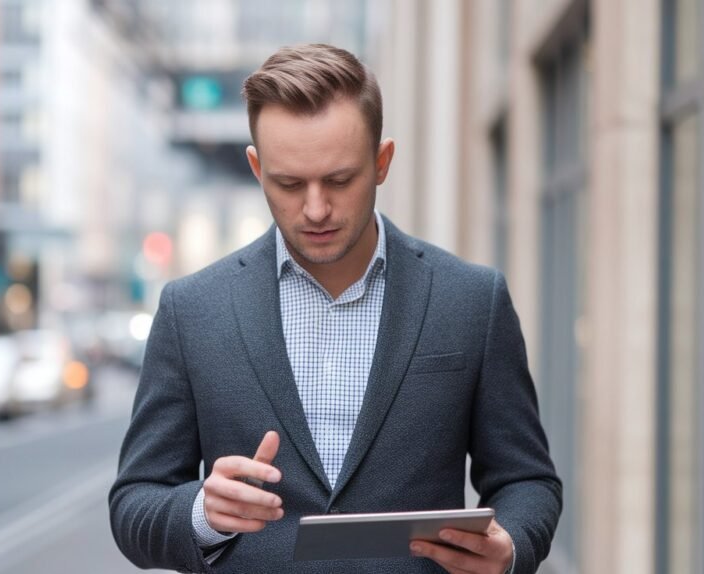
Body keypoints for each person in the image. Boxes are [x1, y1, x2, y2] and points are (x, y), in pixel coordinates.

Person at [109, 43, 561, 573]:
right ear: (256, 168)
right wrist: (202, 514)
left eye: (340, 180)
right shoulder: (191, 310)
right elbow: (134, 502)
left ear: (382, 162)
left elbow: (528, 480)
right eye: (288, 183)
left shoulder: (471, 301)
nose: (316, 208)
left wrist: (509, 549)